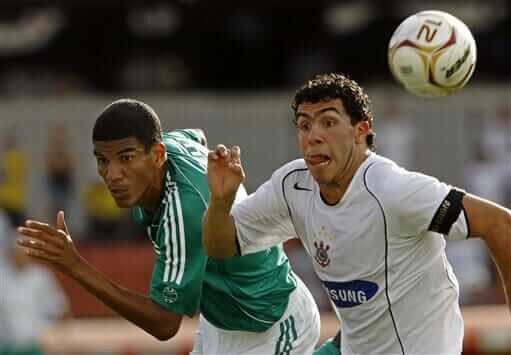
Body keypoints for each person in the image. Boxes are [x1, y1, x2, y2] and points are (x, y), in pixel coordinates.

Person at [202, 73, 511, 355]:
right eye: (304, 125)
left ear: (360, 131)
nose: (314, 136)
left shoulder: (392, 190)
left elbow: (500, 223)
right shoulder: (292, 185)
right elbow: (220, 245)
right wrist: (221, 200)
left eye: (329, 122)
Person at [16, 99, 321, 354]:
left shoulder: (185, 214)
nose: (112, 174)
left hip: (273, 324)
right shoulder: (169, 146)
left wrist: (75, 266)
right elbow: (196, 136)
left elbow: (165, 324)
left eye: (126, 158)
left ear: (157, 155)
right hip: (223, 324)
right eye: (102, 161)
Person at [0, 227, 70, 355]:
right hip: (5, 345)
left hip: (33, 344)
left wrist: (60, 339)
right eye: (18, 252)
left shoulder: (41, 277)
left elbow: (60, 308)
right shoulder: (2, 277)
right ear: (10, 252)